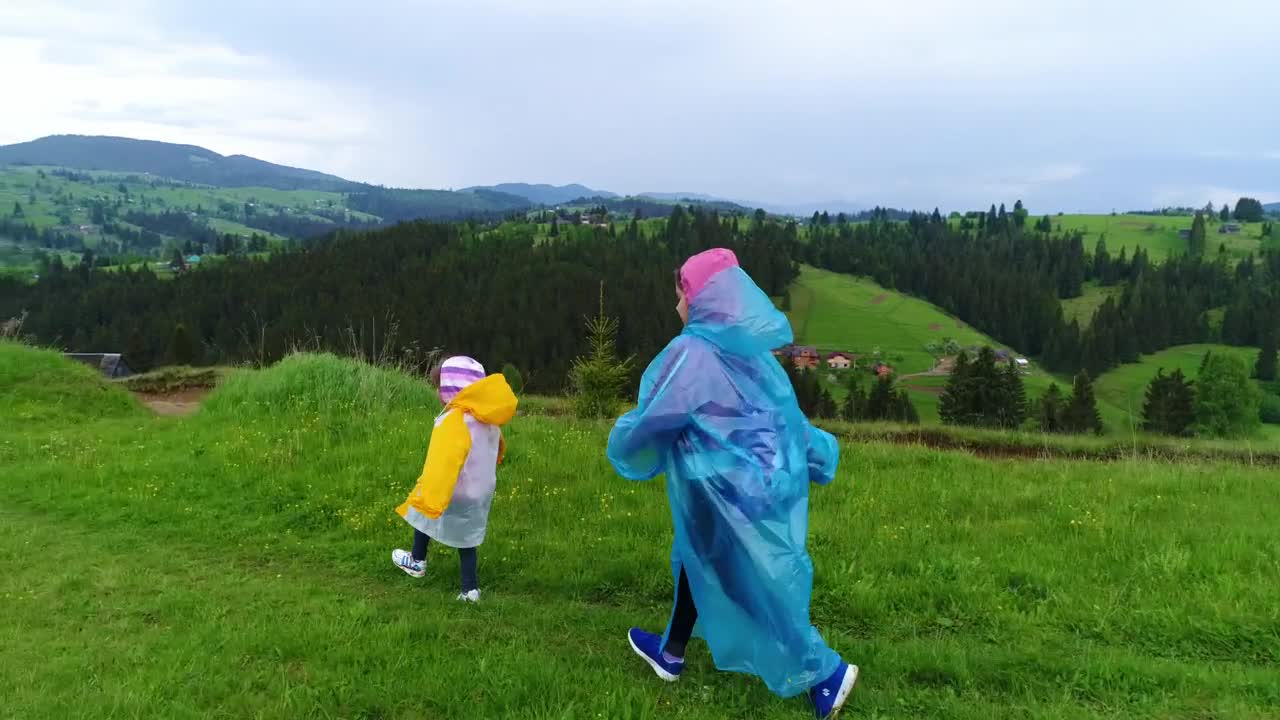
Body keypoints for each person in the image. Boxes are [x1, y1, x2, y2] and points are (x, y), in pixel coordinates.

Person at [607, 249, 857, 718]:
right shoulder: (755, 355)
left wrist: (624, 441)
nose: (676, 303)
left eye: (681, 291)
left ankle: (824, 671)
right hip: (755, 488)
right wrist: (818, 455)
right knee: (697, 560)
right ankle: (671, 651)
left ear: (698, 296)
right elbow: (786, 420)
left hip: (719, 492)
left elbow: (658, 417)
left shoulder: (692, 352)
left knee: (750, 583)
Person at [392, 356, 518, 602]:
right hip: (479, 490)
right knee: (467, 538)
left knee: (424, 510)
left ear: (450, 389)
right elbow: (499, 449)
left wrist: (431, 488)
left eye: (441, 386)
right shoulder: (488, 420)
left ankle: (417, 561)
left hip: (454, 487)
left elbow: (444, 459)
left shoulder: (453, 420)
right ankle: (469, 589)